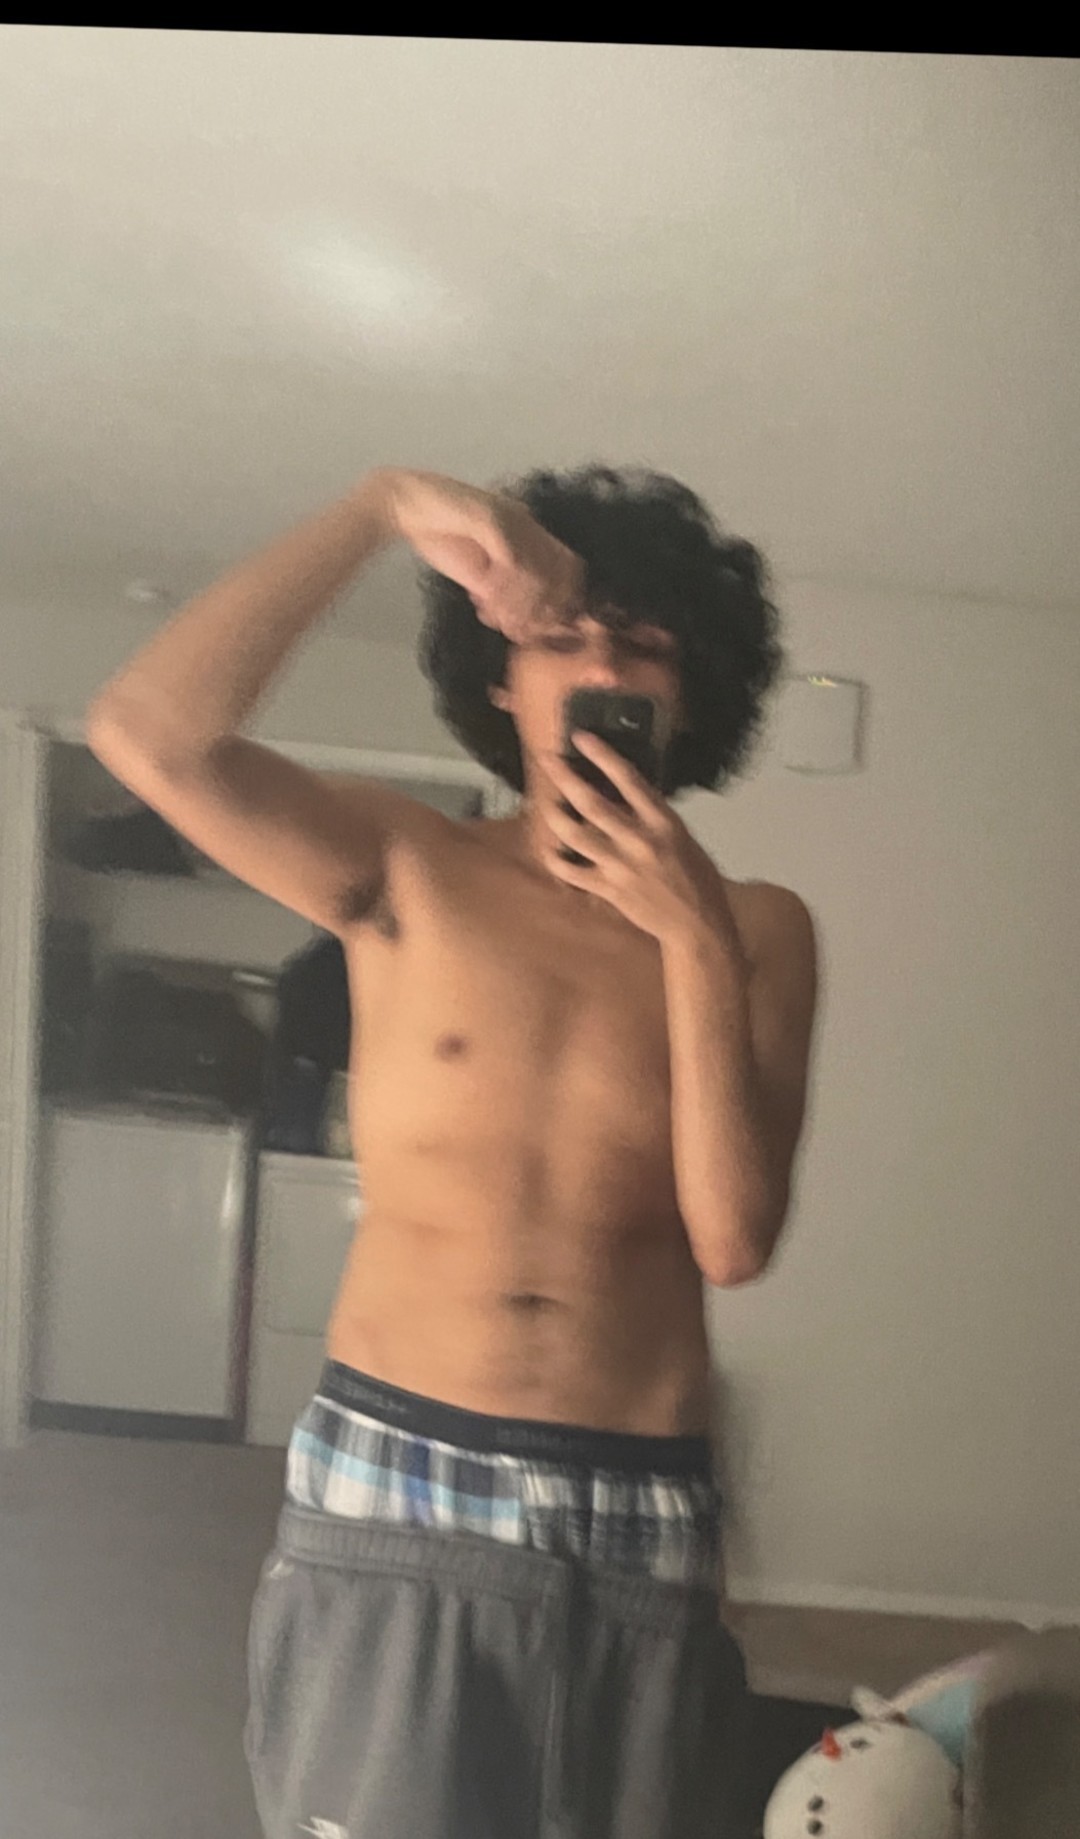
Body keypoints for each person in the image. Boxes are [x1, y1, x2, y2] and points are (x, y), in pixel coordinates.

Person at [86, 464, 821, 1839]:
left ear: (695, 687)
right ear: (502, 677)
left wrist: (692, 938)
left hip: (636, 1493)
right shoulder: (405, 864)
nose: (603, 666)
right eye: (563, 636)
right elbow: (147, 736)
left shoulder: (760, 929)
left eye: (644, 642)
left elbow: (732, 1239)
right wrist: (377, 508)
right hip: (401, 1464)